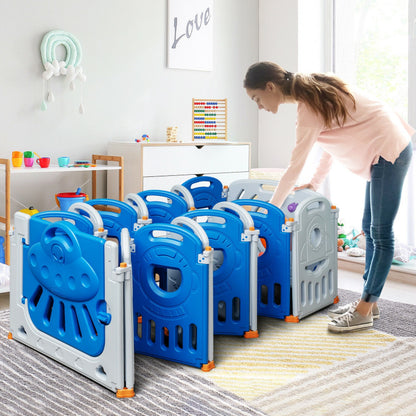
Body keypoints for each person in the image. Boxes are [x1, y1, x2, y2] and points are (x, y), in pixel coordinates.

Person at [244, 61, 414, 333]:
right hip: (384, 149)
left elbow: (293, 168)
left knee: (380, 233)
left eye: (257, 98)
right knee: (369, 230)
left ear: (270, 86)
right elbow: (328, 144)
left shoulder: (308, 107)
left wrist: (269, 211)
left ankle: (365, 309)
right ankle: (369, 302)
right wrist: (314, 181)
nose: (259, 105)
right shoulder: (314, 89)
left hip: (389, 150)